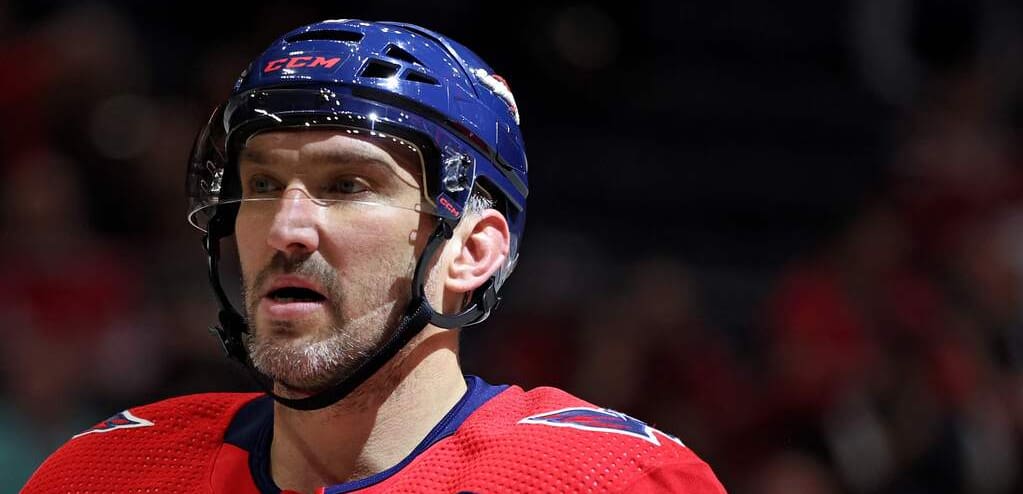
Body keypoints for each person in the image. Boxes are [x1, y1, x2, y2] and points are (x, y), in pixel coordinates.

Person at [23, 20, 725, 493]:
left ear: (471, 251)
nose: (285, 228)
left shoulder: (610, 480)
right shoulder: (105, 473)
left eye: (347, 185)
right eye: (262, 184)